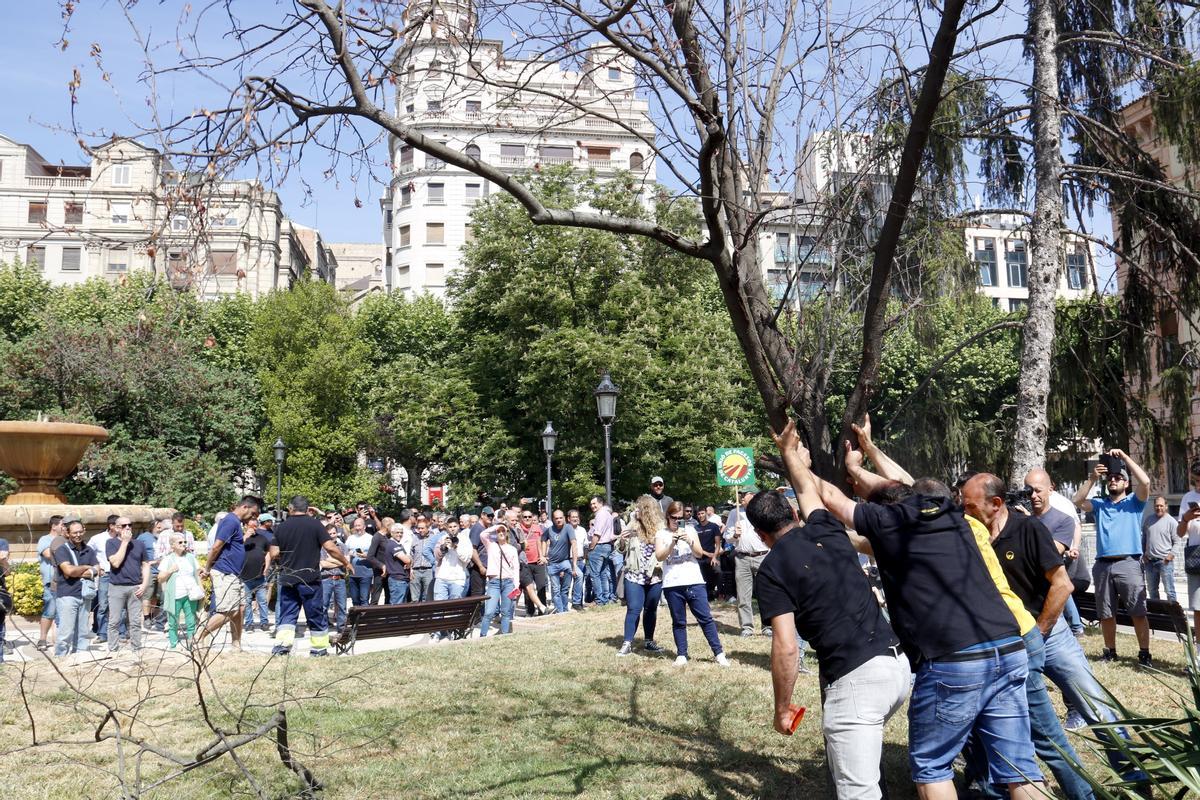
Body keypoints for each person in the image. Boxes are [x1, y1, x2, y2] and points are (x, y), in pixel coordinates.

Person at [806, 428, 1045, 799]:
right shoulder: (957, 518)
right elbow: (905, 487)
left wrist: (800, 464)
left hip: (954, 659)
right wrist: (860, 462)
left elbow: (836, 500)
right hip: (1009, 648)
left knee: (933, 765)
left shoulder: (892, 525)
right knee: (1020, 767)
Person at [749, 451, 908, 800]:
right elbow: (807, 487)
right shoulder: (826, 527)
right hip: (896, 667)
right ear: (793, 512)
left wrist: (782, 708)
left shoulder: (772, 572)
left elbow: (787, 646)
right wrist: (791, 453)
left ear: (760, 535)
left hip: (856, 682)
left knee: (856, 792)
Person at [961, 474, 1094, 800]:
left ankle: (1104, 788)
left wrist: (1037, 633)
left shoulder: (1028, 529)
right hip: (1001, 648)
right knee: (994, 728)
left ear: (995, 504)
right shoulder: (975, 535)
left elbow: (1063, 585)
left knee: (1066, 724)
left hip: (1038, 635)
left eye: (970, 506)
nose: (964, 512)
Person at [1072, 449, 1153, 665]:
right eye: (1111, 478)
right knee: (1106, 612)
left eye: (1118, 478)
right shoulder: (1100, 504)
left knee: (1137, 610)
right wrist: (1092, 478)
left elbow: (1145, 482)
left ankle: (1144, 653)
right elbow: (1077, 499)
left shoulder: (1135, 503)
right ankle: (1110, 651)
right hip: (1103, 565)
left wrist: (1125, 458)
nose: (1113, 480)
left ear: (1126, 483)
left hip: (1129, 563)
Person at [269, 496, 352, 657]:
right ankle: (319, 649)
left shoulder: (282, 527)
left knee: (287, 615)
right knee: (315, 614)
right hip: (310, 579)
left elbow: (274, 553)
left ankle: (282, 647)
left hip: (288, 578)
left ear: (290, 508)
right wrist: (345, 562)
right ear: (308, 510)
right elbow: (330, 548)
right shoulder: (315, 525)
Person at [656, 501, 729, 667]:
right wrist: (672, 543)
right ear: (668, 516)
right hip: (672, 583)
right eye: (674, 518)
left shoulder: (690, 530)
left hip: (693, 580)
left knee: (705, 618)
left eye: (680, 518)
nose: (677, 521)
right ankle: (682, 654)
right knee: (678, 621)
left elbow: (698, 554)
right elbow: (659, 556)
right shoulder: (661, 534)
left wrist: (689, 541)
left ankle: (719, 653)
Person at [1024, 469, 1086, 637]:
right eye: (1029, 491)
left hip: (1048, 594)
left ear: (1050, 490)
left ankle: (1076, 627)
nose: (1033, 496)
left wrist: (1029, 522)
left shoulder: (1064, 520)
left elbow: (1052, 551)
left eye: (1038, 490)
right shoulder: (1019, 518)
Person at [197, 496, 261, 652]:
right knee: (228, 611)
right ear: (245, 507)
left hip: (235, 573)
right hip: (225, 572)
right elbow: (216, 546)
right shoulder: (230, 521)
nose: (253, 518)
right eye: (253, 514)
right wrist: (207, 568)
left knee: (239, 610)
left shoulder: (236, 523)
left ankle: (236, 645)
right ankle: (197, 637)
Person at [614, 496, 666, 656]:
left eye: (640, 509)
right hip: (634, 575)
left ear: (648, 511)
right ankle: (627, 643)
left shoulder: (661, 527)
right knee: (634, 609)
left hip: (655, 575)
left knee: (651, 609)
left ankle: (649, 641)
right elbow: (619, 548)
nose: (636, 511)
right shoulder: (632, 525)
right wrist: (622, 541)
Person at [723, 490, 769, 637]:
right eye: (740, 493)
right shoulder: (734, 514)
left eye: (745, 493)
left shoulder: (764, 511)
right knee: (743, 596)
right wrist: (735, 534)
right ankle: (746, 627)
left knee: (766, 594)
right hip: (742, 558)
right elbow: (727, 537)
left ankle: (767, 626)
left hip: (763, 556)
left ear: (754, 495)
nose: (741, 496)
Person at [105, 516, 151, 653]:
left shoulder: (139, 544)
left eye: (130, 525)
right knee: (114, 621)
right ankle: (113, 649)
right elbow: (115, 563)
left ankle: (136, 648)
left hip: (135, 587)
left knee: (136, 622)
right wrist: (124, 543)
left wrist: (144, 584)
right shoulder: (111, 543)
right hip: (116, 587)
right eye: (124, 525)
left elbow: (145, 564)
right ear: (117, 528)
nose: (128, 528)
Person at [54, 520, 100, 657]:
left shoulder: (88, 550)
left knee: (83, 631)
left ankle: (80, 656)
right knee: (66, 631)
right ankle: (61, 657)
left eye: (80, 532)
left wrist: (83, 571)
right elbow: (68, 571)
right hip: (68, 595)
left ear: (84, 531)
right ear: (68, 533)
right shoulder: (62, 550)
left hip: (85, 594)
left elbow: (97, 570)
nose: (78, 535)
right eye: (74, 532)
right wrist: (87, 567)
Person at [157, 532, 202, 649]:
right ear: (172, 545)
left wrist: (201, 588)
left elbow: (197, 574)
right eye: (180, 542)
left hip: (190, 594)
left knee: (191, 620)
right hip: (175, 595)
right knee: (173, 621)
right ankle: (173, 644)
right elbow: (160, 578)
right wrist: (170, 570)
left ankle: (192, 643)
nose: (183, 544)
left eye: (184, 542)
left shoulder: (191, 557)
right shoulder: (167, 559)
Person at [478, 522, 519, 637]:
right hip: (494, 582)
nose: (501, 533)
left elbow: (516, 568)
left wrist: (516, 585)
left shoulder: (512, 549)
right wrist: (496, 527)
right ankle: (483, 635)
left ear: (507, 534)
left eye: (503, 531)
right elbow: (483, 534)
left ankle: (504, 635)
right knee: (489, 612)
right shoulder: (491, 545)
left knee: (506, 612)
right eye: (498, 532)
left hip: (508, 582)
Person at [35, 516, 67, 651]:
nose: (64, 527)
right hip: (51, 581)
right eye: (62, 525)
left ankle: (60, 641)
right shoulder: (45, 539)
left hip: (65, 581)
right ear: (54, 526)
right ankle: (42, 639)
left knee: (63, 612)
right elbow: (49, 554)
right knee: (50, 610)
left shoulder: (66, 540)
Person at [240, 515, 274, 632]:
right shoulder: (241, 538)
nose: (254, 528)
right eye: (251, 526)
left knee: (262, 601)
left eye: (256, 526)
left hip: (260, 574)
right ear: (245, 526)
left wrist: (267, 567)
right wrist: (245, 537)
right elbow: (236, 550)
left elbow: (268, 553)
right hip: (245, 575)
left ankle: (264, 622)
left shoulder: (262, 538)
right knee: (247, 601)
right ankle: (249, 623)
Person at [1142, 496, 1178, 602]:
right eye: (1156, 506)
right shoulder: (1148, 520)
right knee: (1152, 591)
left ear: (1166, 506)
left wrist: (1169, 556)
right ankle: (1157, 615)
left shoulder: (1171, 522)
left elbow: (1177, 541)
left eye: (1161, 505)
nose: (1159, 508)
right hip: (1149, 562)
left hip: (1165, 562)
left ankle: (1174, 617)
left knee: (1169, 591)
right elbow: (1144, 538)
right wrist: (1143, 555)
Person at [516, 509, 549, 616]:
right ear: (521, 518)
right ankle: (530, 611)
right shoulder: (518, 529)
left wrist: (542, 556)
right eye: (525, 517)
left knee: (541, 587)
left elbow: (539, 542)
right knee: (527, 589)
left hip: (537, 562)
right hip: (525, 563)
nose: (527, 519)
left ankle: (542, 610)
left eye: (529, 517)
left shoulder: (537, 528)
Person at [542, 510, 576, 614]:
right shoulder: (549, 530)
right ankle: (560, 612)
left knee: (565, 589)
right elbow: (543, 539)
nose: (559, 520)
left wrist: (574, 565)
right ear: (553, 519)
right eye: (556, 518)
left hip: (565, 562)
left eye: (560, 518)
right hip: (552, 563)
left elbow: (574, 544)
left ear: (564, 518)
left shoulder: (568, 528)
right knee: (555, 590)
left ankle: (565, 609)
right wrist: (543, 555)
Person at [587, 497, 619, 606]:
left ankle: (599, 600)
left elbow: (597, 533)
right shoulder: (608, 515)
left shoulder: (600, 514)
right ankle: (605, 598)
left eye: (594, 503)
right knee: (603, 573)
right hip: (607, 546)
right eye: (591, 504)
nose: (592, 506)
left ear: (600, 503)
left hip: (599, 545)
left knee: (595, 574)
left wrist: (591, 547)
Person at [320, 523, 350, 632]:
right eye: (330, 533)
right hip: (326, 579)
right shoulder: (322, 547)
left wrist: (332, 560)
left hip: (340, 579)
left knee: (342, 606)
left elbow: (347, 562)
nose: (333, 535)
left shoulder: (343, 546)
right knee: (323, 606)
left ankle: (341, 629)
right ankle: (323, 628)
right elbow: (323, 564)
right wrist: (341, 561)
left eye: (334, 533)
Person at [434, 518, 473, 600]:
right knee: (438, 605)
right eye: (450, 527)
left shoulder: (464, 539)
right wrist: (443, 548)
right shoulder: (443, 538)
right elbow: (436, 557)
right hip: (442, 577)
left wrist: (455, 547)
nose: (452, 528)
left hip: (457, 579)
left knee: (455, 608)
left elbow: (466, 559)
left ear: (458, 526)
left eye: (454, 526)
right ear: (447, 528)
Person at [693, 507, 723, 602]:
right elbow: (695, 546)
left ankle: (721, 594)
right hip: (700, 557)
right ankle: (706, 596)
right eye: (698, 514)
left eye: (702, 513)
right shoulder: (695, 528)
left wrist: (714, 556)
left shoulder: (714, 526)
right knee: (703, 577)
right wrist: (706, 554)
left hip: (713, 556)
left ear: (706, 513)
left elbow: (718, 544)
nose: (701, 515)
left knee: (718, 572)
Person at [344, 517, 374, 608]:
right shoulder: (350, 538)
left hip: (366, 573)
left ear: (364, 527)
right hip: (353, 573)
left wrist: (366, 555)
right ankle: (356, 620)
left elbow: (375, 554)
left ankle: (364, 619)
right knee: (355, 599)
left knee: (364, 599)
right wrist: (348, 554)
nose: (357, 528)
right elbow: (345, 552)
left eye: (359, 525)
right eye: (355, 526)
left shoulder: (370, 538)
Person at [383, 522, 413, 603]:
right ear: (392, 533)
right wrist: (409, 561)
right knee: (397, 606)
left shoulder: (398, 544)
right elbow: (407, 560)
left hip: (401, 579)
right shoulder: (393, 545)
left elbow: (408, 558)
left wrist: (409, 560)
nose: (399, 534)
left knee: (402, 607)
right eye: (397, 532)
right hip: (397, 580)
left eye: (401, 532)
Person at [409, 518, 436, 602]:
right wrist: (410, 569)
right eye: (419, 528)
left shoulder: (433, 538)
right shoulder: (414, 538)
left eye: (422, 528)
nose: (420, 530)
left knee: (427, 596)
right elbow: (411, 554)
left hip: (428, 570)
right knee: (414, 598)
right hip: (416, 570)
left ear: (428, 528)